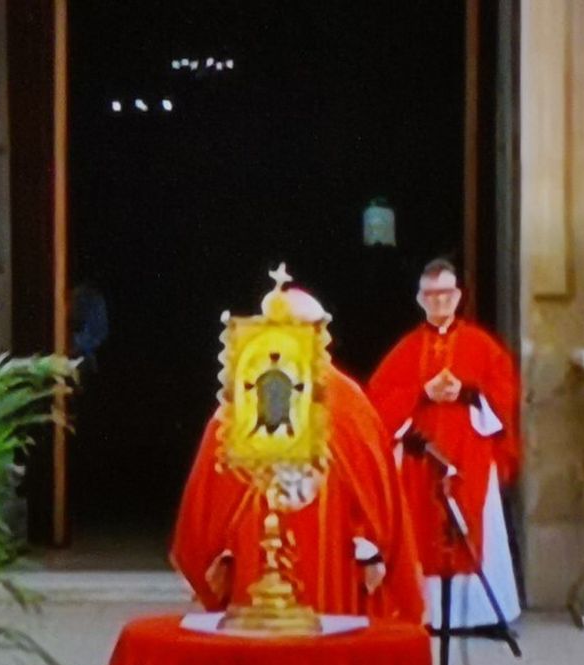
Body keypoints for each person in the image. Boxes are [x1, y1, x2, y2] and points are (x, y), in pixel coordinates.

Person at [169, 283, 426, 624]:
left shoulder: (347, 401)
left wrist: (370, 540)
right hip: (262, 554)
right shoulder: (244, 396)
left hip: (333, 551)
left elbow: (374, 484)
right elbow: (215, 482)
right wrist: (221, 547)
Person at [367, 258, 522, 632]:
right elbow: (378, 400)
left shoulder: (482, 345)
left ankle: (481, 615)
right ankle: (426, 614)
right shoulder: (406, 349)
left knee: (474, 527)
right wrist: (423, 392)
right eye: (432, 295)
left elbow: (505, 392)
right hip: (422, 456)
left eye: (446, 294)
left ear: (458, 296)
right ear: (420, 299)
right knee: (420, 528)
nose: (439, 301)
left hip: (470, 453)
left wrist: (467, 392)